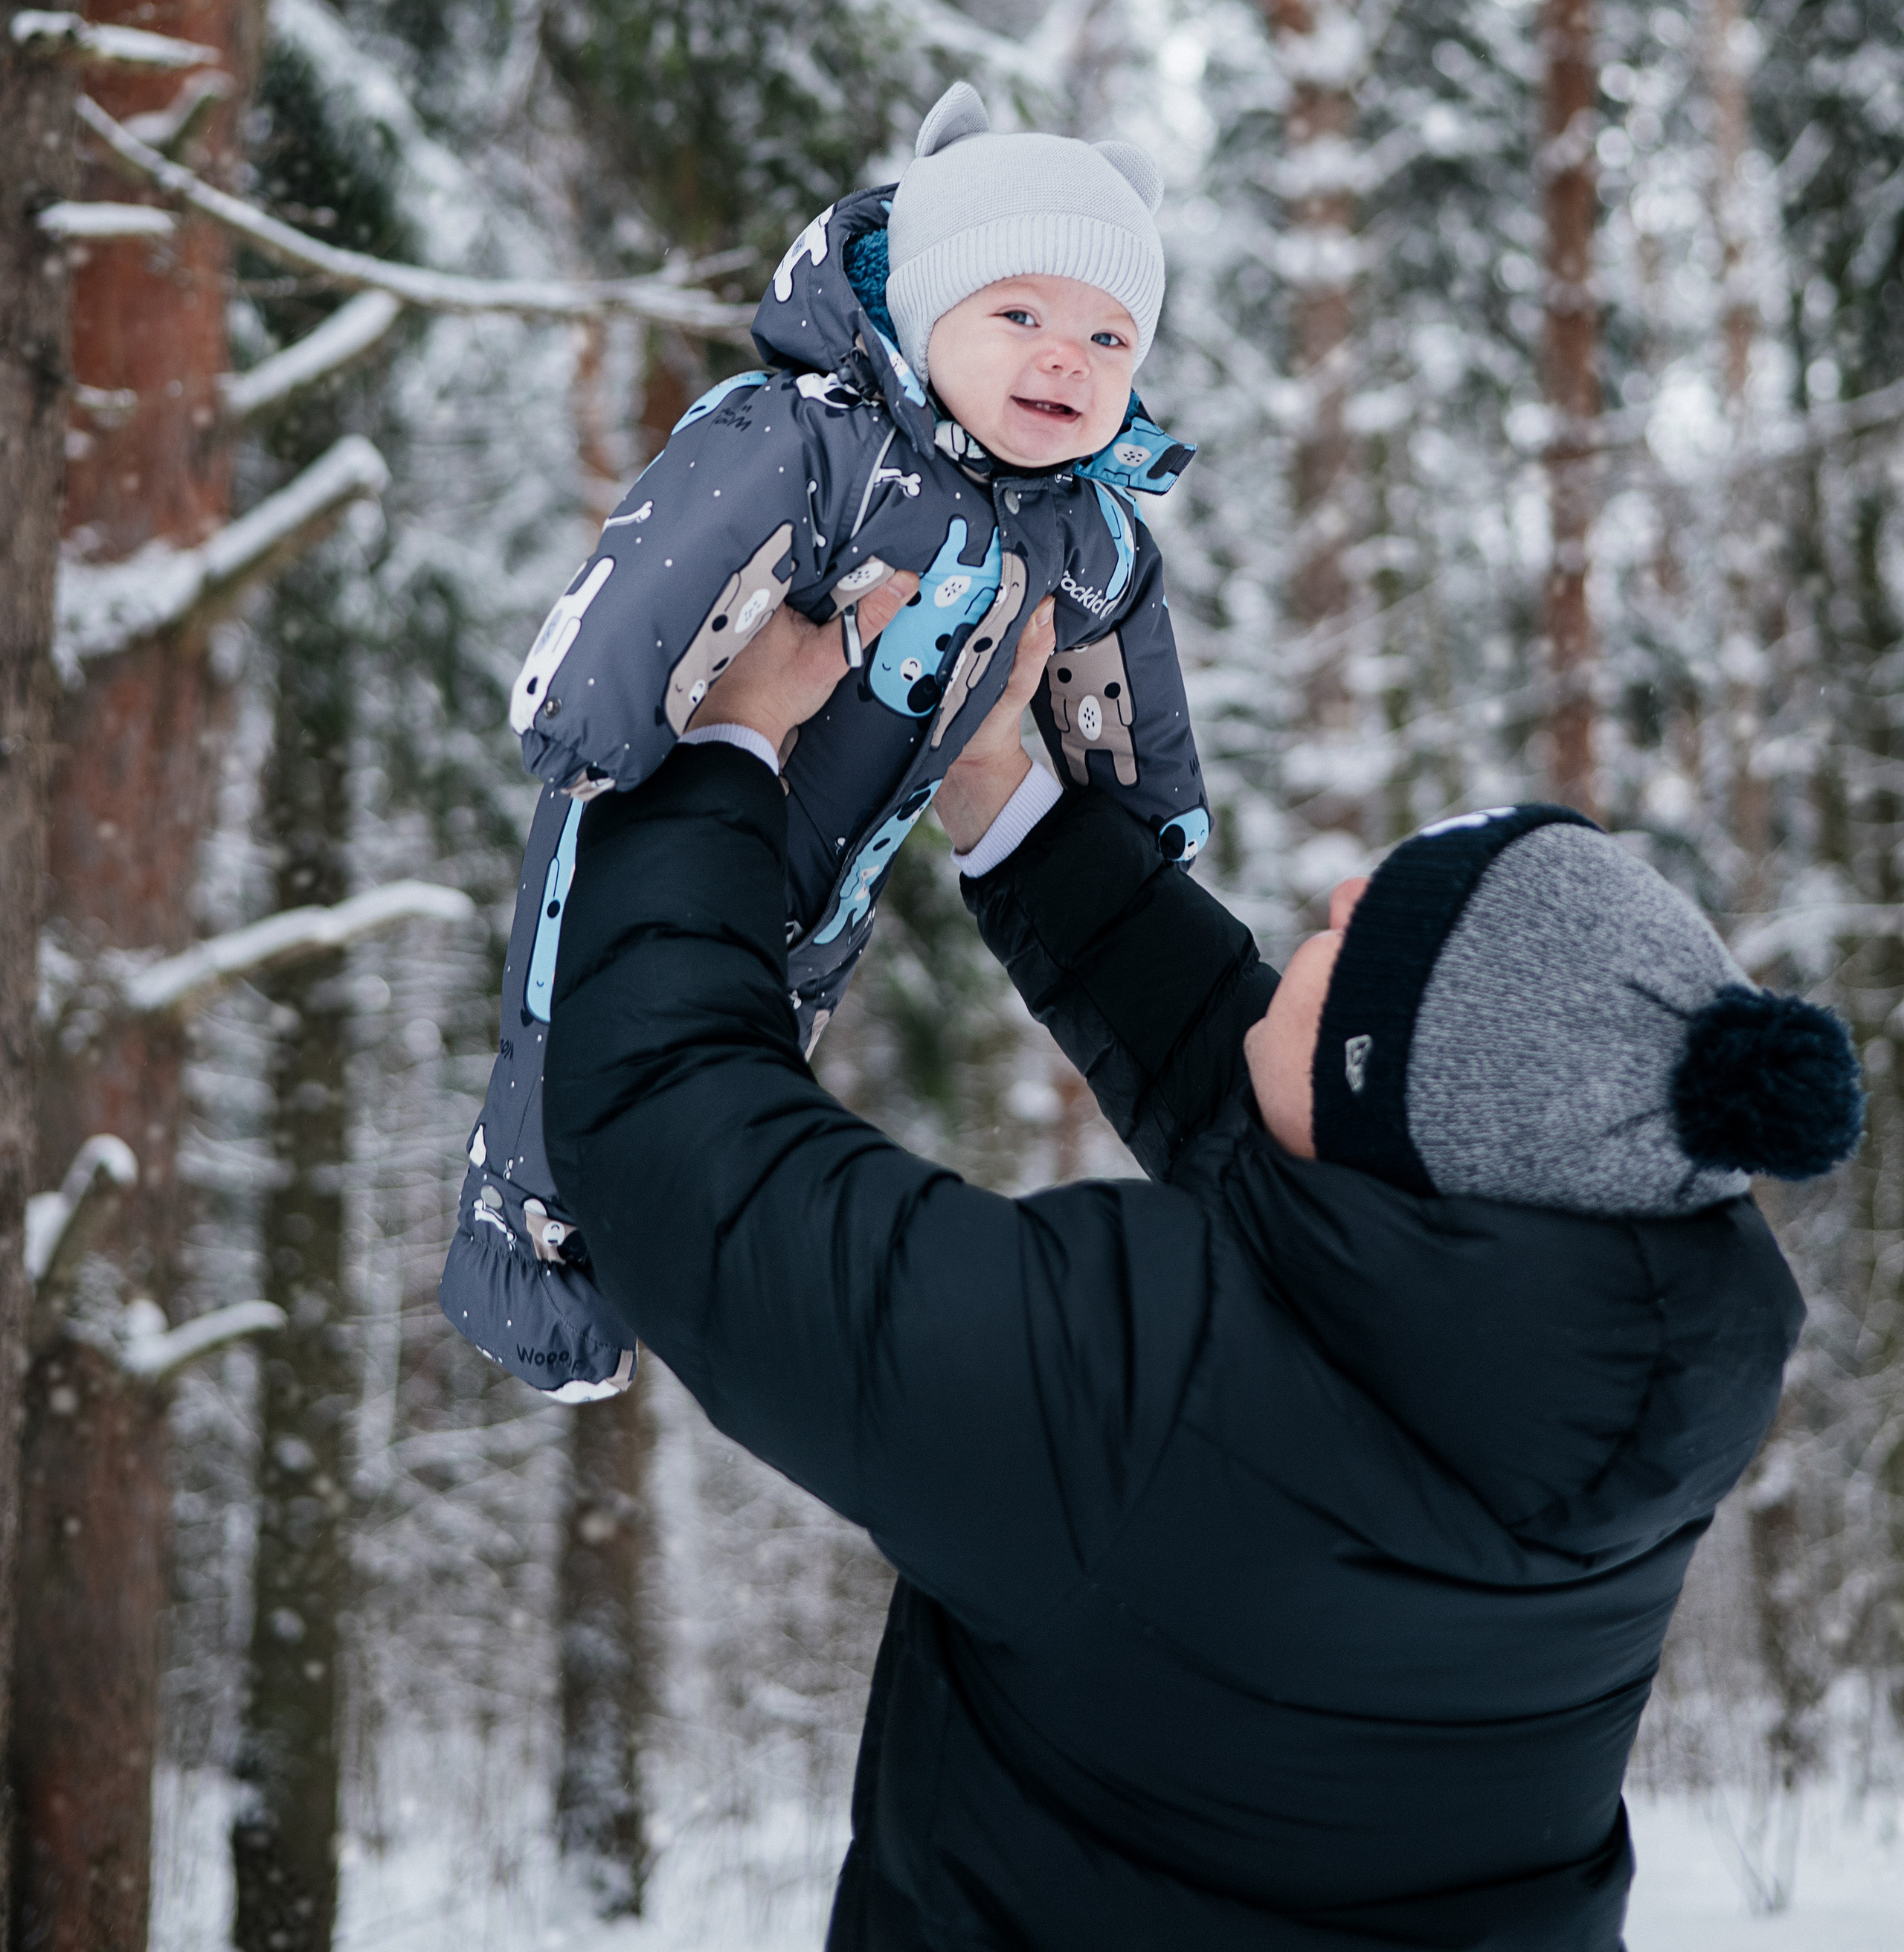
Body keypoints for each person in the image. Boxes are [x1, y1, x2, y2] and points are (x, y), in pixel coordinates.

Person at [541, 580, 1864, 1952]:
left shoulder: (1145, 1417)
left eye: (1364, 939)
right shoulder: (1602, 1385)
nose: (1342, 898)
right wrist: (1010, 805)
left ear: (1386, 1091)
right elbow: (1295, 1139)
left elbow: (685, 1158)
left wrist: (730, 743)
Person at [442, 82, 1210, 1398]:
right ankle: (525, 1267)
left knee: (735, 1074)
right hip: (659, 809)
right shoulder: (819, 439)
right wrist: (594, 698)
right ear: (922, 306)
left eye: (1107, 336)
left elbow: (1117, 653)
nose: (1066, 357)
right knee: (578, 1029)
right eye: (1019, 314)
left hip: (833, 886)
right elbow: (677, 541)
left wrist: (1142, 825)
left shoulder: (1079, 530)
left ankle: (655, 1287)